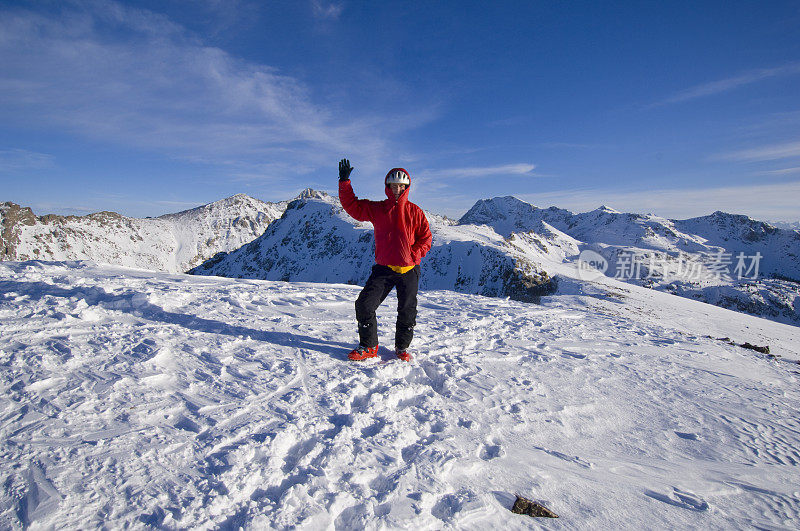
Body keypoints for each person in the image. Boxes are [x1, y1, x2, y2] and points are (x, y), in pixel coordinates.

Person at [338, 158, 432, 362]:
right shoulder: (379, 209)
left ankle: (402, 347)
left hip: (409, 270)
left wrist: (414, 254)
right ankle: (369, 345)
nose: (397, 189)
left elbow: (426, 238)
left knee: (407, 311)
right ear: (387, 187)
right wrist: (345, 182)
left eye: (401, 186)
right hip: (384, 269)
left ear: (406, 187)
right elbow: (352, 206)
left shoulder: (415, 212)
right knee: (364, 304)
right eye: (393, 185)